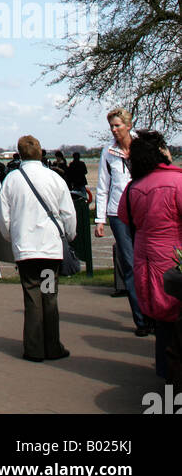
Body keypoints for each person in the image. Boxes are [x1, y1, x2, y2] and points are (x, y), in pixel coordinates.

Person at [0, 134, 77, 362]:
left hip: (27, 249)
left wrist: (10, 236)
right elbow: (68, 213)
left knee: (32, 296)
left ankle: (33, 347)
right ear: (41, 153)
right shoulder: (54, 178)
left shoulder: (12, 180)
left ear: (20, 154)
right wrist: (69, 234)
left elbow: (2, 215)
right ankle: (52, 345)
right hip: (50, 249)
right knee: (49, 296)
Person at [116, 131, 182, 381]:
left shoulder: (134, 187)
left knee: (162, 321)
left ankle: (165, 372)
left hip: (146, 258)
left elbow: (124, 216)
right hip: (173, 257)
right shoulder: (177, 181)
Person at [95, 107, 148, 335]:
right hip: (118, 214)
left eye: (117, 125)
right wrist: (100, 219)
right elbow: (102, 186)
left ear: (128, 125)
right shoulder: (108, 152)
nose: (114, 130)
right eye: (111, 127)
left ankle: (156, 314)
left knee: (149, 263)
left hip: (143, 211)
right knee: (130, 265)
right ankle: (142, 321)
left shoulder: (143, 146)